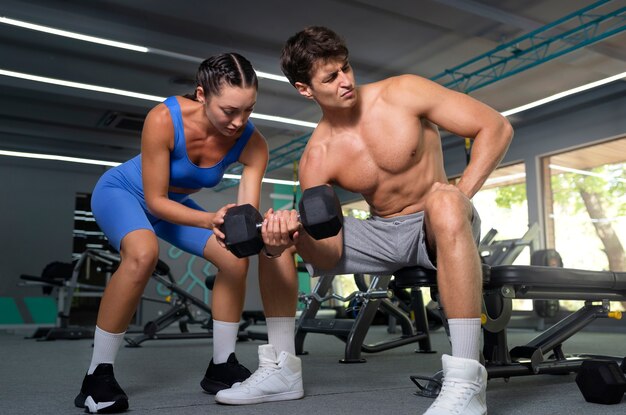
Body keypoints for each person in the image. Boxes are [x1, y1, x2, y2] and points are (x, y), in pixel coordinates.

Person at [266, 26, 514, 415]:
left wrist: (458, 194)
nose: (346, 81)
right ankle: (280, 368)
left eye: (346, 68)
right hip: (381, 231)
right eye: (331, 78)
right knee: (279, 233)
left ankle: (467, 380)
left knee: (444, 200)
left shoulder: (403, 92)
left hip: (436, 221)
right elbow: (329, 254)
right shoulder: (317, 155)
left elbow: (496, 127)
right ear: (305, 89)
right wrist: (291, 236)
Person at [75, 53, 303, 414]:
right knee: (142, 253)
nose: (239, 121)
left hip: (174, 205)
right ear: (201, 94)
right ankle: (97, 376)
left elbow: (245, 222)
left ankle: (221, 365)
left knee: (234, 257)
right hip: (124, 193)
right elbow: (154, 200)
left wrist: (267, 231)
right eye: (229, 110)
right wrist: (210, 218)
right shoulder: (164, 118)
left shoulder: (252, 142)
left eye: (248, 110)